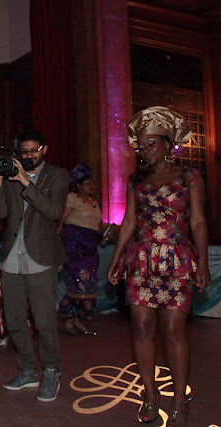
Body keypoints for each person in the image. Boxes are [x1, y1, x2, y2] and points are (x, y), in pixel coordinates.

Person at [106, 106, 211, 426]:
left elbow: (197, 221)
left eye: (151, 143)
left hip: (178, 260)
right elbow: (129, 222)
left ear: (168, 143)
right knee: (141, 328)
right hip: (141, 260)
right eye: (141, 145)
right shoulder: (135, 180)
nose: (144, 150)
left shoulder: (190, 177)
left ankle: (180, 399)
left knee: (174, 331)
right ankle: (150, 396)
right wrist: (115, 259)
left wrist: (203, 262)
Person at [0, 129, 69, 402]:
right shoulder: (12, 176)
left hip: (41, 258)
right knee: (14, 321)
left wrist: (27, 183)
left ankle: (51, 372)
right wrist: (1, 181)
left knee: (44, 322)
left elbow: (54, 211)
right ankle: (27, 370)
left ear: (44, 150)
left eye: (33, 151)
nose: (28, 156)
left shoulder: (58, 175)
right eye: (23, 152)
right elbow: (0, 213)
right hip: (12, 257)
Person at [57, 163, 108, 336]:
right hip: (74, 247)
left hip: (90, 248)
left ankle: (76, 319)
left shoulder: (94, 203)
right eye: (87, 183)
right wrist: (56, 243)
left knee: (88, 286)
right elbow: (60, 222)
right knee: (79, 283)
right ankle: (70, 319)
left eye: (93, 183)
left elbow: (97, 225)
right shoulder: (72, 198)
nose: (92, 186)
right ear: (78, 185)